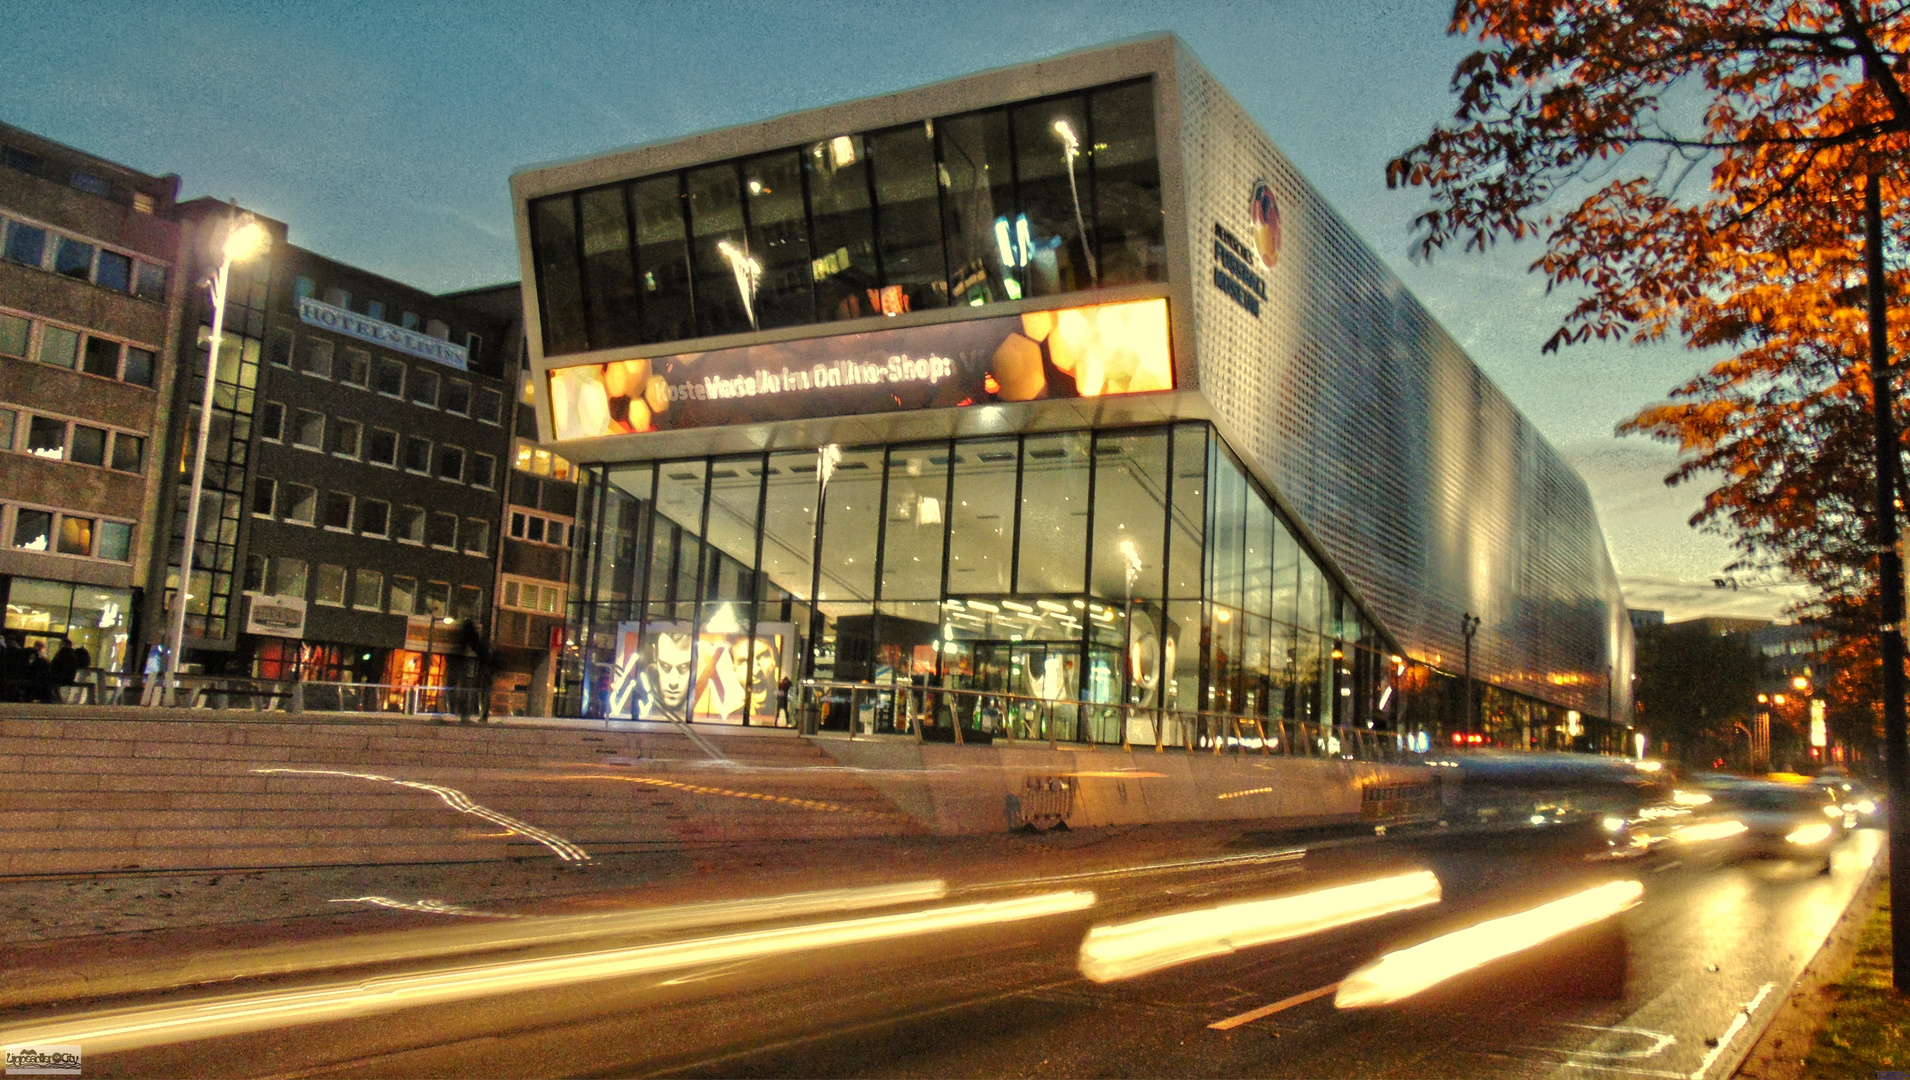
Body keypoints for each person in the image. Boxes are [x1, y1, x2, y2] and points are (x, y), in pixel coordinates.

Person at [48, 638, 81, 704]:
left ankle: (57, 700)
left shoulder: (63, 653)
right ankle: (57, 699)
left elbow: (57, 664)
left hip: (61, 676)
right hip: (67, 676)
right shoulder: (72, 654)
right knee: (53, 686)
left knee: (50, 684)